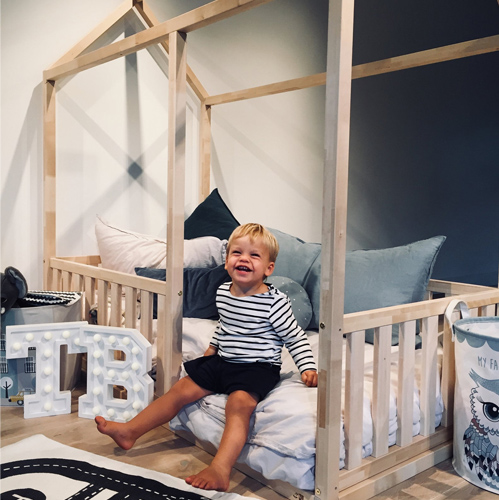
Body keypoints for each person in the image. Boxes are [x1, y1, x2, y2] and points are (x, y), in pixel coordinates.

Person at [95, 223, 318, 491]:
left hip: (257, 368)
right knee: (180, 390)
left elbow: (294, 336)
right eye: (237, 252)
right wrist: (212, 350)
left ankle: (220, 469)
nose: (244, 259)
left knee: (239, 405)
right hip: (223, 360)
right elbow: (224, 326)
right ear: (226, 262)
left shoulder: (275, 302)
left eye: (254, 255)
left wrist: (307, 367)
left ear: (268, 269)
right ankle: (129, 431)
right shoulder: (224, 292)